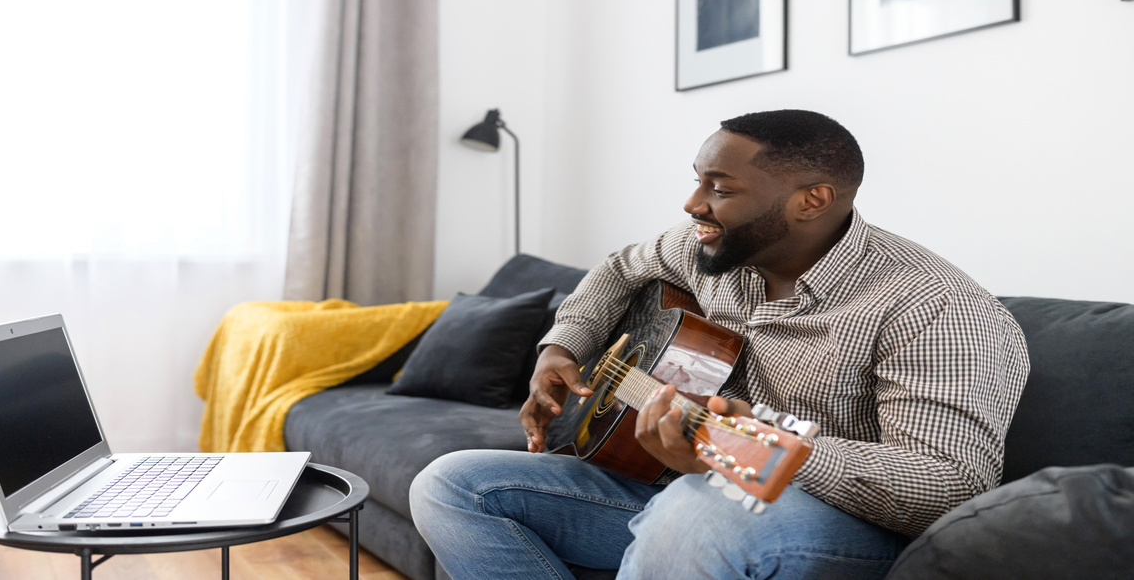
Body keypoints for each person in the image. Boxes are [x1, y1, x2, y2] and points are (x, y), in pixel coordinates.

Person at [409, 109, 1030, 579]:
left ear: (811, 200)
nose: (692, 204)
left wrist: (744, 450)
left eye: (721, 188)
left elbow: (950, 485)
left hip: (853, 531)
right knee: (450, 483)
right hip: (692, 487)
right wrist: (562, 348)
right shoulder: (716, 248)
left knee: (698, 505)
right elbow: (619, 269)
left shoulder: (936, 308)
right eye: (698, 181)